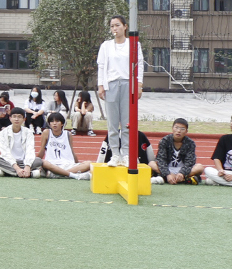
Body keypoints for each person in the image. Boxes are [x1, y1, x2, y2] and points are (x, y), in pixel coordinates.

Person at [97, 14, 144, 167]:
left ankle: (126, 154)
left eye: (117, 25)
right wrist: (101, 86)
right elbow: (101, 66)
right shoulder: (106, 46)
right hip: (111, 85)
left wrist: (139, 85)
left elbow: (139, 64)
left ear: (125, 26)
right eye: (112, 26)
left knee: (126, 123)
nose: (114, 28)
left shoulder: (133, 44)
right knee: (112, 123)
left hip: (128, 84)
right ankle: (115, 155)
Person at [37, 112, 92, 180]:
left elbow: (71, 151)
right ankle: (71, 174)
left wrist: (78, 164)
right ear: (49, 124)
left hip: (67, 164)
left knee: (89, 163)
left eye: (57, 121)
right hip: (52, 165)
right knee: (44, 162)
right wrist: (36, 162)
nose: (54, 123)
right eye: (52, 121)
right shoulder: (47, 132)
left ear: (62, 123)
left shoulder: (68, 134)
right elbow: (42, 150)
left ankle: (60, 175)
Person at [150, 119, 205, 185]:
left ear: (186, 131)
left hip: (182, 169)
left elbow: (190, 162)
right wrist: (168, 174)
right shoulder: (165, 140)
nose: (179, 131)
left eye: (182, 129)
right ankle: (184, 179)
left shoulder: (190, 143)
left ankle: (171, 178)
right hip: (168, 168)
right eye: (176, 128)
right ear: (172, 128)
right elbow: (161, 160)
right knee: (151, 164)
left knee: (200, 167)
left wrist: (182, 173)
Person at [0, 108, 43, 178]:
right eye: (14, 116)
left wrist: (27, 166)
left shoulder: (28, 132)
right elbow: (5, 152)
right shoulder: (3, 133)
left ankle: (7, 172)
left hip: (24, 161)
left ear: (24, 119)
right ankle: (27, 173)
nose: (16, 119)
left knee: (39, 161)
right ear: (10, 118)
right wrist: (17, 168)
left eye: (19, 117)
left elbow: (30, 150)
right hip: (8, 162)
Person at [203, 115, 232, 186]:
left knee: (209, 181)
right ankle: (224, 182)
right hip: (225, 173)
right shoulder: (224, 139)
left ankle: (218, 182)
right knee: (207, 170)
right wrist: (220, 170)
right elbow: (217, 158)